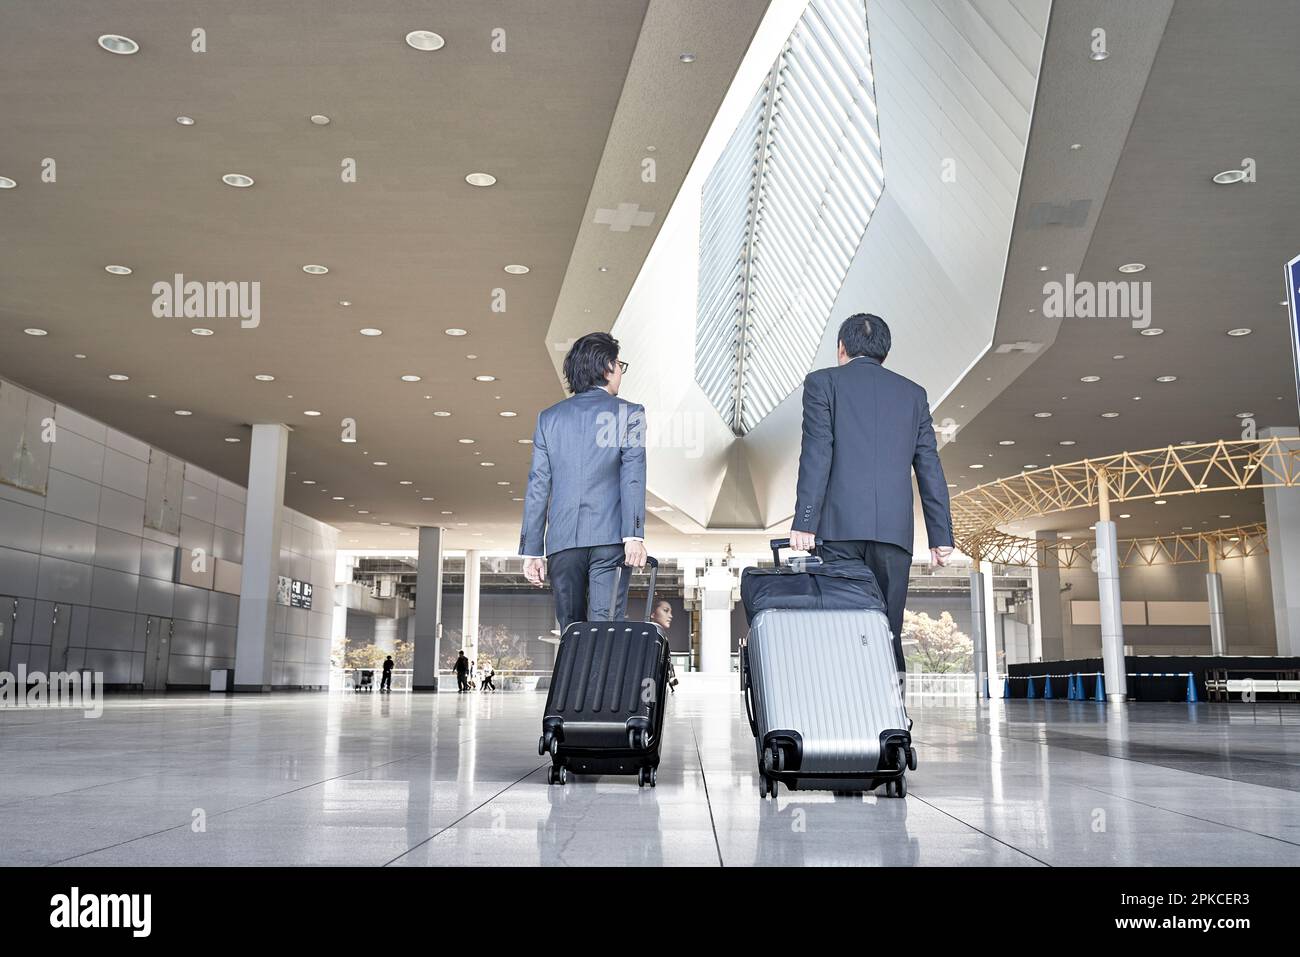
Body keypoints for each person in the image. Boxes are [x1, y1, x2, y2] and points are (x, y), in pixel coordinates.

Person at [790, 313, 954, 691]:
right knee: (887, 627)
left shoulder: (822, 383)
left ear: (841, 348)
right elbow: (928, 462)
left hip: (839, 530)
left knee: (842, 622)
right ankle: (892, 717)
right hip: (894, 535)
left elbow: (817, 452)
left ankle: (843, 714)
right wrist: (940, 534)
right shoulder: (913, 394)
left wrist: (805, 521)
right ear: (885, 352)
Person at [519, 332, 648, 629]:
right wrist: (634, 536)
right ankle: (606, 677)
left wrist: (532, 550)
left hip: (562, 542)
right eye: (619, 365)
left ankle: (572, 677)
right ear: (606, 367)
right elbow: (633, 475)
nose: (620, 373)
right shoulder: (631, 414)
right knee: (606, 628)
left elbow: (538, 484)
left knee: (572, 631)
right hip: (610, 539)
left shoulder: (549, 418)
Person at [649, 599, 679, 693]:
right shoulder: (651, 637)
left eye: (670, 612)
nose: (670, 616)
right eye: (665, 611)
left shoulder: (663, 639)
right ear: (653, 614)